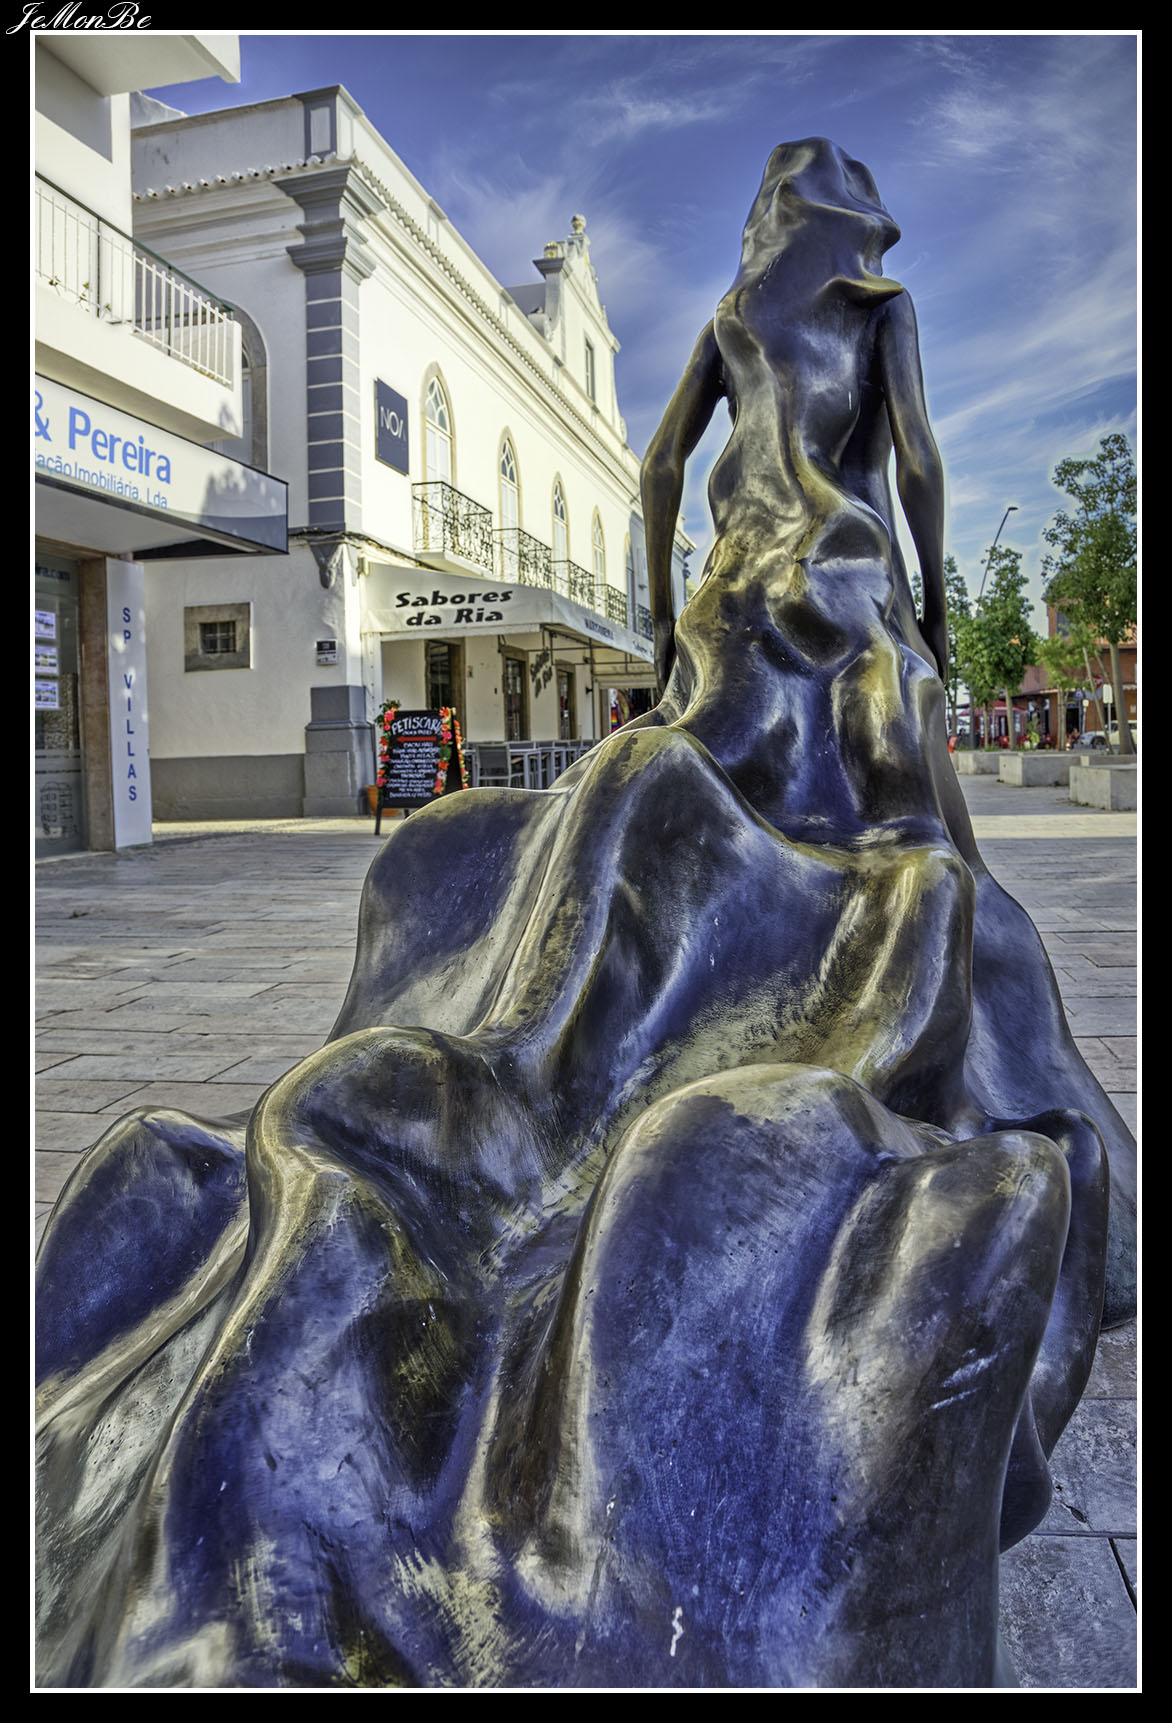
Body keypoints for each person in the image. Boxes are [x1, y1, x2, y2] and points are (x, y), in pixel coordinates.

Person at [35, 142, 1134, 1689]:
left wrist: (662, 610)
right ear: (857, 228)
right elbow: (922, 465)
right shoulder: (876, 313)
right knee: (920, 845)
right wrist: (932, 609)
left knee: (676, 812)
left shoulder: (737, 321)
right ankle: (953, 1010)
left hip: (729, 616)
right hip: (838, 590)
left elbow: (662, 471)